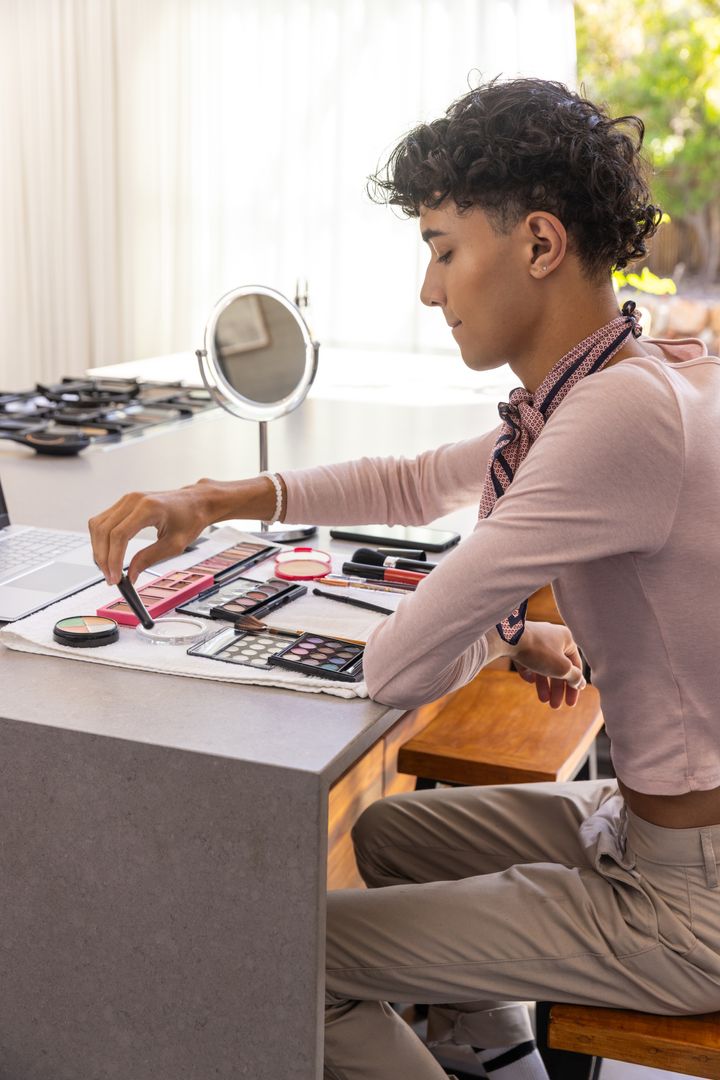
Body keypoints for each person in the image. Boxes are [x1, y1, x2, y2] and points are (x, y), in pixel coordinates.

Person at [89, 77, 720, 1080]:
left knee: (289, 956)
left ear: (540, 245)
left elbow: (398, 662)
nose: (430, 291)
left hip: (687, 899)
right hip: (643, 825)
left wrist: (498, 625)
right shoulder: (621, 378)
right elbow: (415, 482)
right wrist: (211, 497)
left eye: (442, 251)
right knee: (387, 834)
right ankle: (491, 1045)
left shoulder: (612, 417)